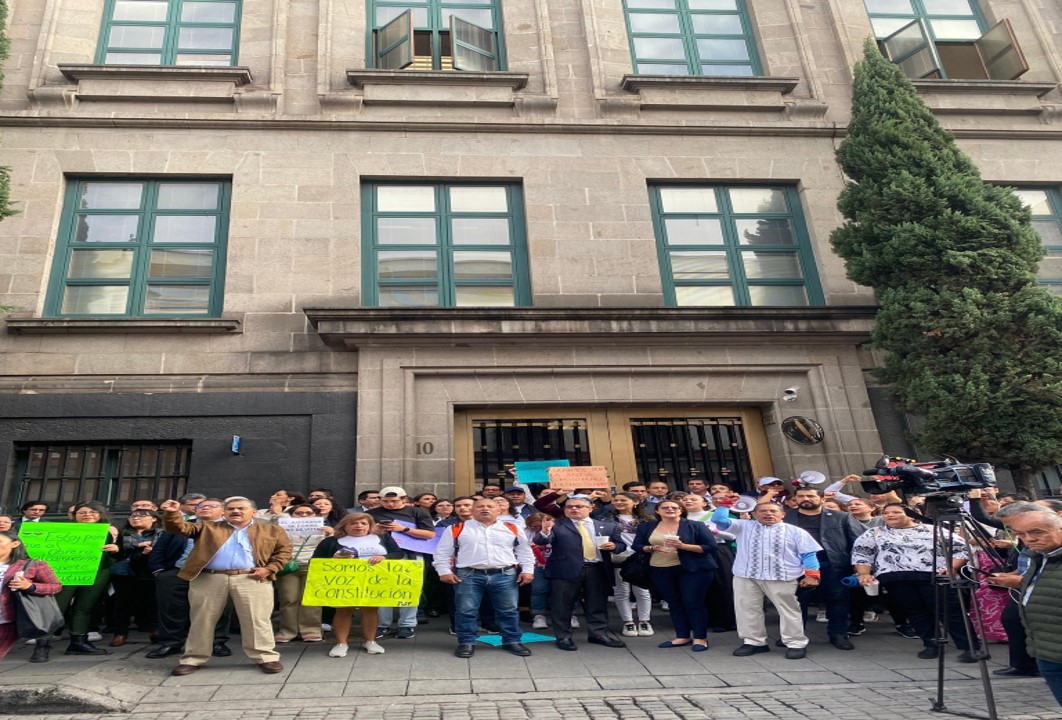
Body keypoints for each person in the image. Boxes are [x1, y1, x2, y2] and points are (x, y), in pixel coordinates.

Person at [159, 496, 292, 676]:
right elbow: (179, 527)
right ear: (224, 513)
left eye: (241, 508)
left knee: (257, 619)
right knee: (201, 620)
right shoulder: (208, 527)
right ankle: (193, 658)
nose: (235, 511)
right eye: (231, 509)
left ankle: (265, 657)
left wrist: (269, 569)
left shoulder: (271, 529)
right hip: (209, 578)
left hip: (252, 578)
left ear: (253, 512)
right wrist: (173, 513)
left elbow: (284, 552)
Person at [851, 503, 979, 662]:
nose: (890, 515)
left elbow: (962, 548)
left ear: (911, 514)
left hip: (934, 575)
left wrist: (952, 567)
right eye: (886, 513)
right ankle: (931, 644)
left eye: (896, 512)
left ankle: (970, 646)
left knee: (949, 611)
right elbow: (862, 553)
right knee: (915, 611)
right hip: (895, 578)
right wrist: (864, 573)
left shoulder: (932, 529)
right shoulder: (874, 532)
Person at [711, 502, 821, 659]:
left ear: (782, 514)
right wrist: (724, 505)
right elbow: (719, 520)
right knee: (747, 609)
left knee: (789, 610)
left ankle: (795, 643)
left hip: (781, 576)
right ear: (754, 514)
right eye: (763, 511)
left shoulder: (796, 531)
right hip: (746, 575)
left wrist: (812, 575)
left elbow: (809, 554)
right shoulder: (743, 526)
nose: (768, 513)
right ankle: (754, 642)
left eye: (773, 511)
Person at [433, 498, 536, 658]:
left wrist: (528, 570)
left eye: (490, 506)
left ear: (498, 510)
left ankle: (512, 640)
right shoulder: (456, 528)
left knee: (508, 610)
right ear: (473, 510)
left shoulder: (513, 528)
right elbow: (442, 552)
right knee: (466, 611)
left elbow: (524, 551)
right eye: (480, 506)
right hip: (468, 575)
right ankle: (466, 642)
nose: (485, 509)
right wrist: (443, 571)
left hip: (505, 574)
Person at [533, 495, 627, 651]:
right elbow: (541, 541)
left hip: (596, 569)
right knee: (562, 605)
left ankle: (598, 634)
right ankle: (563, 637)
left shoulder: (607, 526)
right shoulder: (557, 525)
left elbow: (621, 545)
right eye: (570, 507)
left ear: (591, 508)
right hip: (565, 570)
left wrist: (614, 546)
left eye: (579, 506)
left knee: (597, 603)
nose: (574, 509)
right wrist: (544, 531)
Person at [992, 503, 1062, 704]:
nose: (1029, 539)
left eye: (1037, 532)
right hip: (1047, 651)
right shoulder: (1038, 557)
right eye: (1021, 534)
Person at [146, 498, 233, 659]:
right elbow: (160, 548)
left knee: (218, 609)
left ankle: (217, 642)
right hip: (177, 571)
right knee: (171, 609)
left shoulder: (231, 527)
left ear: (223, 511)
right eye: (201, 506)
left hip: (213, 573)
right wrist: (159, 570)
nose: (205, 508)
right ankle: (171, 643)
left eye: (211, 506)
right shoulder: (182, 524)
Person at [785, 487, 866, 651]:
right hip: (795, 565)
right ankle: (794, 636)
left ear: (822, 499)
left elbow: (858, 543)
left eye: (810, 495)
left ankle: (838, 634)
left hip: (832, 564)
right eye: (800, 496)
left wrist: (859, 568)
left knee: (837, 600)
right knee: (796, 602)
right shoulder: (785, 517)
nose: (805, 498)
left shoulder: (842, 517)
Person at [313, 513, 403, 657]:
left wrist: (384, 557)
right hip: (343, 582)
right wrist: (333, 559)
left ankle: (370, 641)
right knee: (343, 610)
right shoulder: (330, 541)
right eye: (353, 523)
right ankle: (341, 643)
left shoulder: (383, 538)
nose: (359, 526)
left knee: (370, 609)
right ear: (344, 526)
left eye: (363, 523)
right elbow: (316, 560)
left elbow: (398, 553)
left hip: (374, 580)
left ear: (370, 526)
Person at [633, 499, 718, 651]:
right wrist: (651, 548)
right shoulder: (647, 526)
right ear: (657, 511)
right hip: (660, 569)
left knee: (692, 601)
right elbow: (637, 545)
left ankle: (700, 638)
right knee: (674, 602)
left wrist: (683, 546)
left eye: (674, 507)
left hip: (692, 569)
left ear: (681, 510)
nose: (670, 509)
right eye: (665, 507)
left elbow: (711, 547)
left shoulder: (695, 525)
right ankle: (682, 636)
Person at [366, 486, 435, 640]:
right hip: (380, 554)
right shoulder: (371, 514)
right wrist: (374, 529)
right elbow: (359, 531)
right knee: (381, 588)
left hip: (410, 553)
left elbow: (429, 534)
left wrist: (403, 529)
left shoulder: (417, 512)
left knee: (410, 588)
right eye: (386, 501)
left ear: (404, 499)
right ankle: (383, 624)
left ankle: (407, 624)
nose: (390, 504)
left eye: (394, 501)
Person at [53, 501, 119, 656]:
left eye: (92, 512)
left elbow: (121, 554)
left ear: (100, 514)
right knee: (58, 607)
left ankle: (78, 641)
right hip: (67, 572)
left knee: (85, 607)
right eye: (82, 512)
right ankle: (42, 643)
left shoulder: (111, 531)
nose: (87, 515)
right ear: (74, 515)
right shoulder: (63, 530)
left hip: (99, 571)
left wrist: (116, 549)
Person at [0, 531, 63, 663]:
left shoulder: (33, 565)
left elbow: (55, 586)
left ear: (15, 544)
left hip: (7, 620)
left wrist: (30, 586)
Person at [274, 504, 331, 643]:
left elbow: (332, 548)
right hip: (289, 566)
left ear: (315, 515)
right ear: (291, 515)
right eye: (299, 513)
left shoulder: (324, 529)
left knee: (311, 600)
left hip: (314, 566)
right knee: (289, 599)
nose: (304, 515)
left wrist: (331, 534)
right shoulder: (282, 529)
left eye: (308, 513)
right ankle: (287, 630)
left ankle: (311, 630)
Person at [108, 509, 162, 647]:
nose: (136, 518)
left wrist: (147, 552)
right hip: (124, 572)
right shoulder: (123, 534)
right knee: (122, 604)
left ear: (154, 519)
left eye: (142, 515)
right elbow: (117, 555)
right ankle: (120, 633)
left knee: (153, 603)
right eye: (133, 516)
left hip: (149, 572)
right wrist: (119, 550)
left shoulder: (160, 533)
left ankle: (155, 630)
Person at [604, 493, 654, 637]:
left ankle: (645, 621)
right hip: (618, 557)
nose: (619, 502)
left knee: (642, 590)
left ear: (636, 502)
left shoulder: (647, 520)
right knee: (621, 591)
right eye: (616, 500)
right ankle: (628, 622)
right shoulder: (607, 519)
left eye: (623, 500)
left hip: (640, 557)